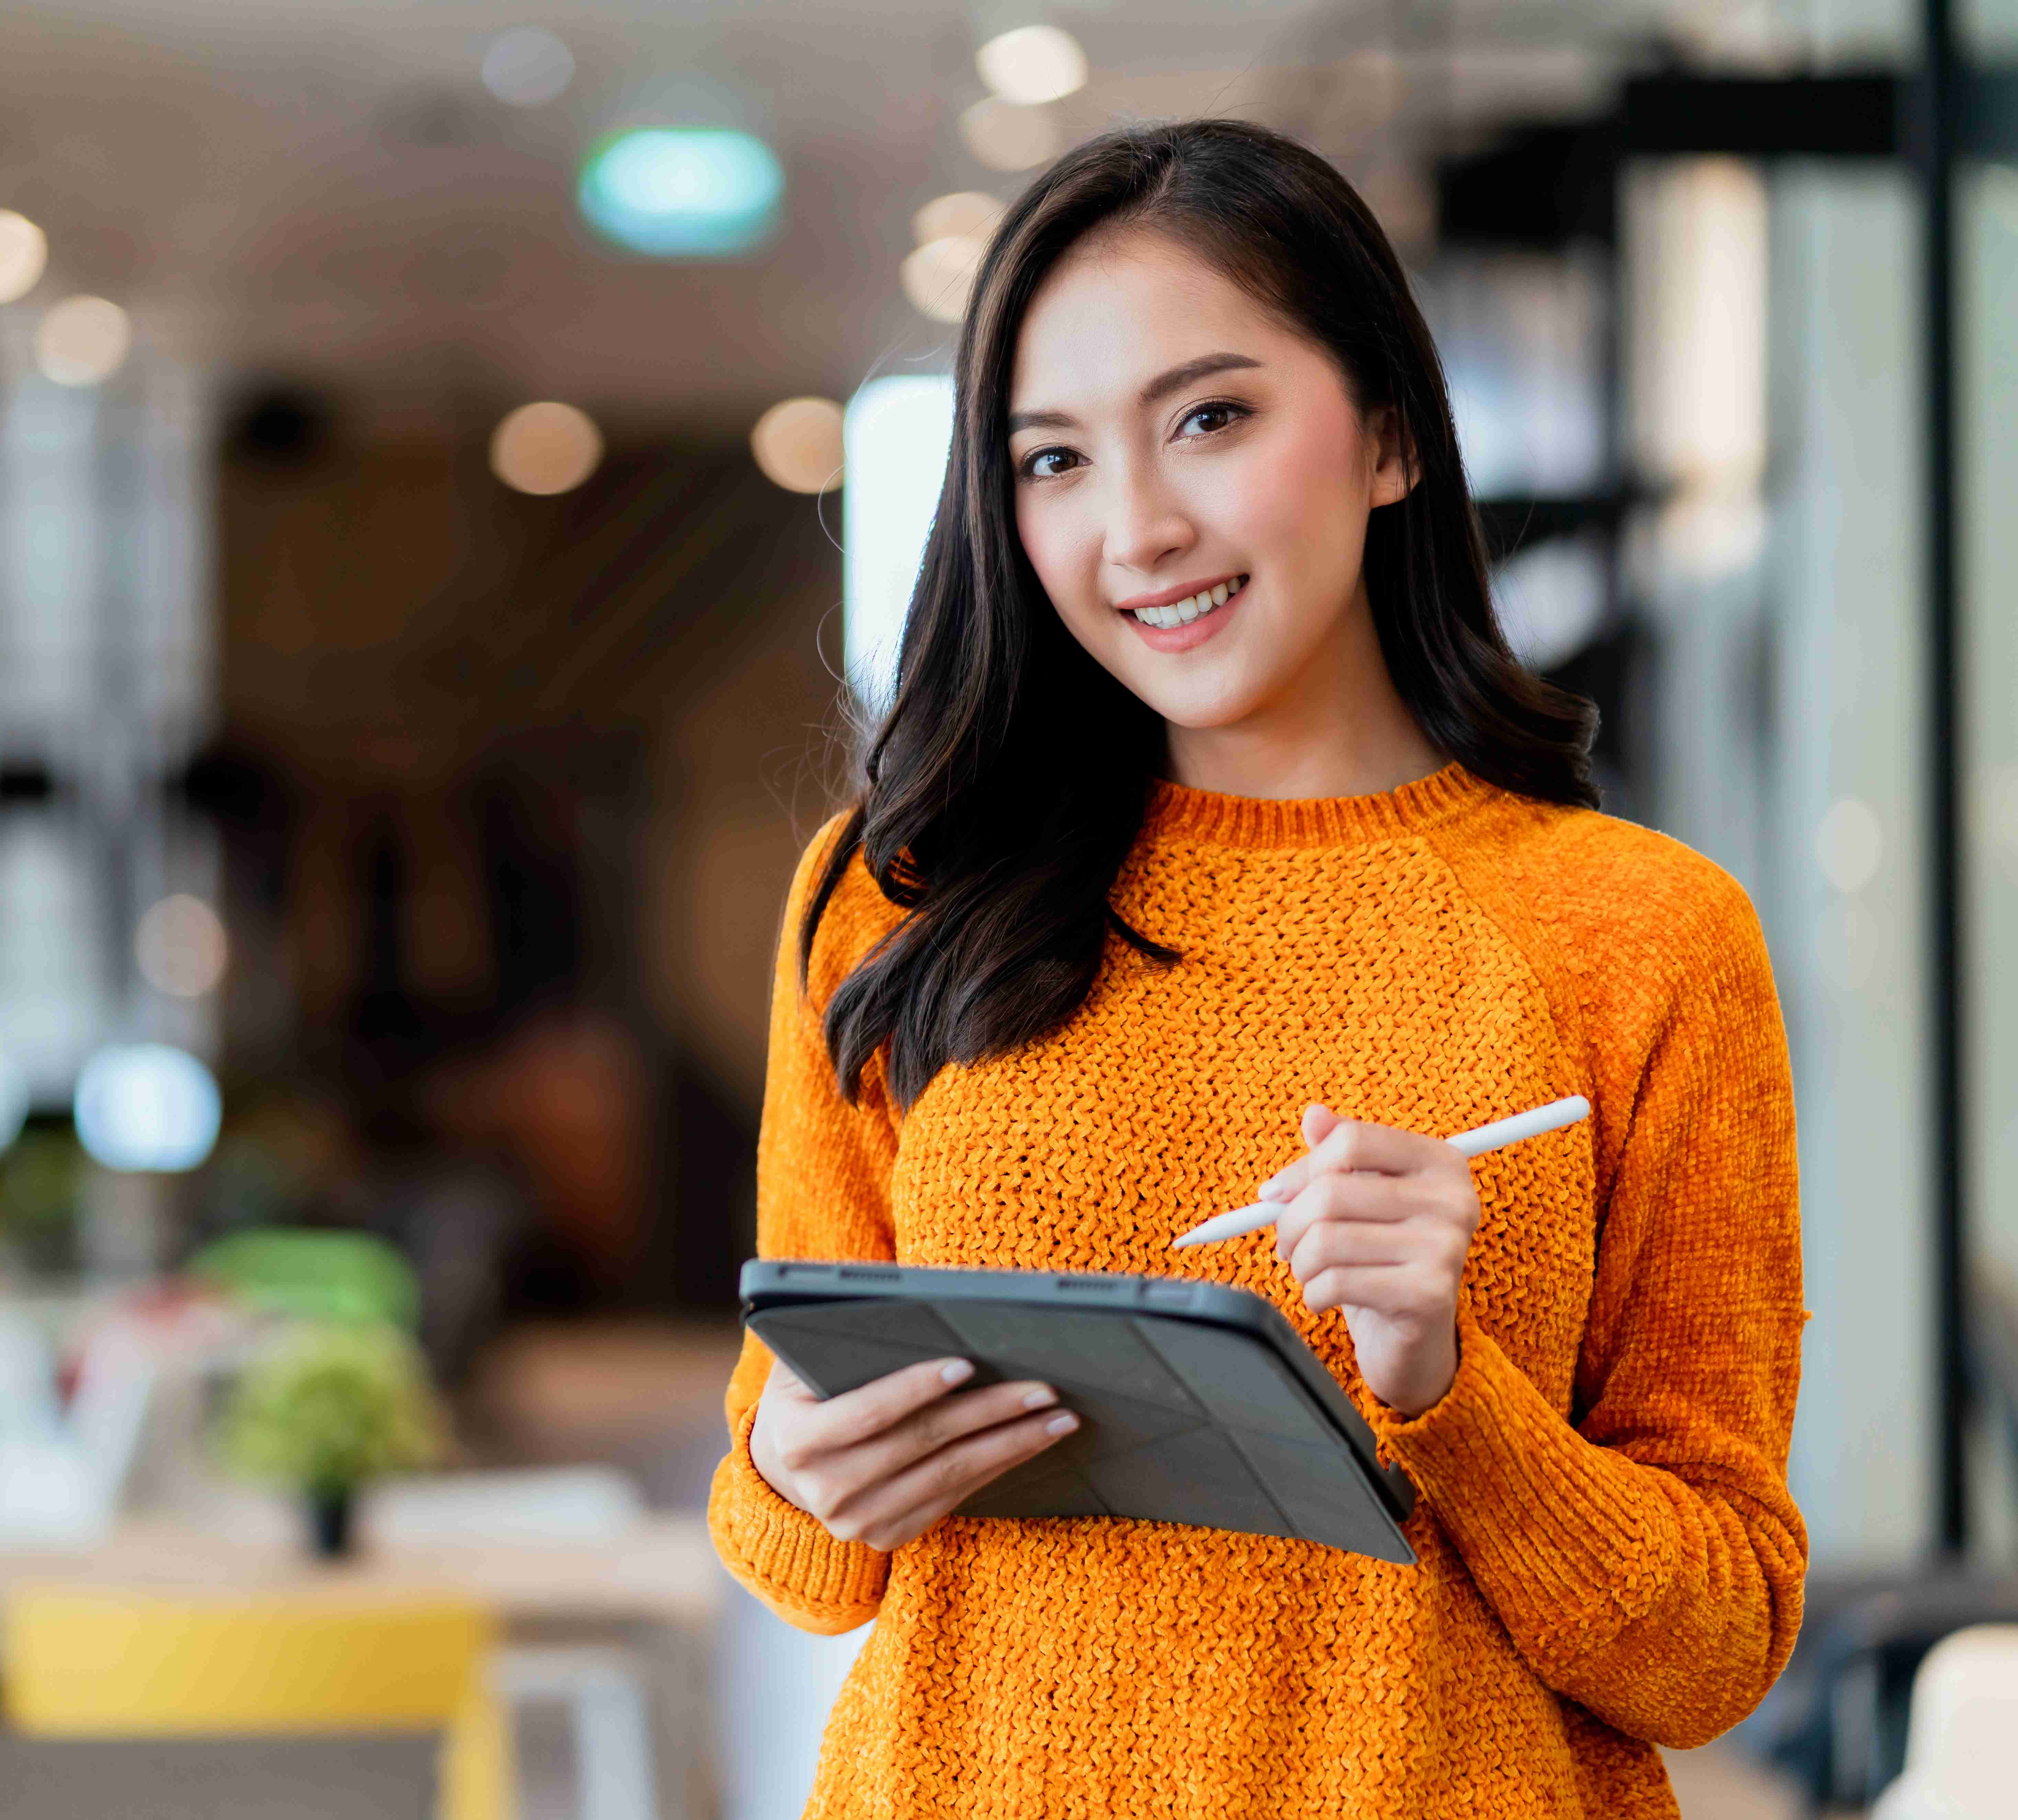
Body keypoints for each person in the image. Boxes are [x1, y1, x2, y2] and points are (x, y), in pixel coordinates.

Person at [709, 119, 1804, 1818]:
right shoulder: (895, 897)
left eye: (1208, 420)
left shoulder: (1636, 930)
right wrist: (791, 1471)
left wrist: (1448, 1389)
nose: (1135, 528)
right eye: (1049, 461)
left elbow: (1712, 1651)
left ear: (1383, 431)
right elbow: (797, 1554)